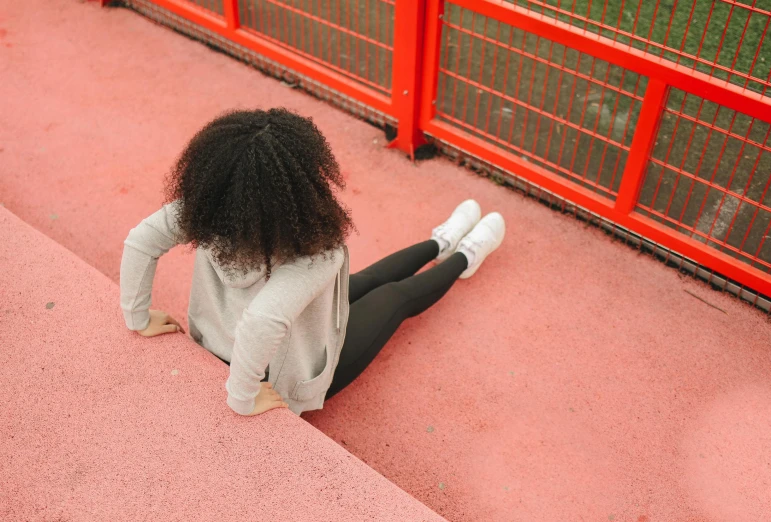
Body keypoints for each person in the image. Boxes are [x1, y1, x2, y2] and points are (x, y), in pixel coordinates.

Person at [120, 108, 506, 417]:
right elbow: (262, 321)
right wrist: (242, 397)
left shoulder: (203, 210)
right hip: (290, 372)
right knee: (394, 298)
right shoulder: (318, 250)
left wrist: (136, 317)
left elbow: (141, 241)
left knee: (367, 280)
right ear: (303, 183)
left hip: (237, 339)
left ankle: (439, 242)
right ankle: (464, 255)